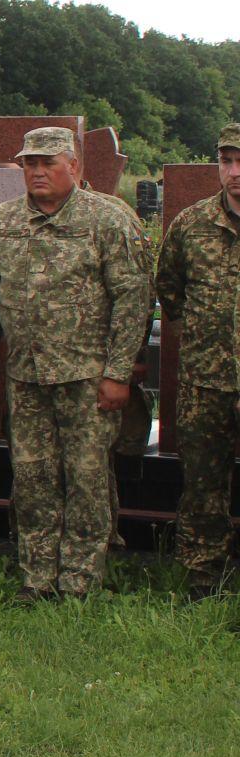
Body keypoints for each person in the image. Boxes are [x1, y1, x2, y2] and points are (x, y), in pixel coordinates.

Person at [0, 126, 152, 601]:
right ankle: (37, 577)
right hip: (26, 376)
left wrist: (118, 372)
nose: (38, 171)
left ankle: (80, 581)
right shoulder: (0, 222)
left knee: (86, 481)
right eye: (30, 163)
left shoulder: (108, 221)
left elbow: (132, 300)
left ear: (75, 166)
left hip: (87, 378)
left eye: (49, 162)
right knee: (32, 478)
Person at [153, 122, 240, 601]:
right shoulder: (192, 224)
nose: (235, 171)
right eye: (227, 160)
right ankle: (204, 580)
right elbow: (170, 290)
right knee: (203, 486)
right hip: (207, 382)